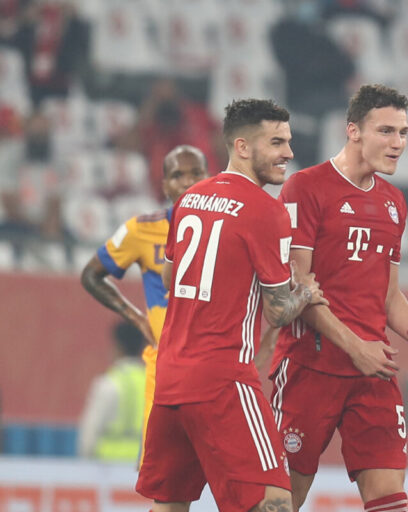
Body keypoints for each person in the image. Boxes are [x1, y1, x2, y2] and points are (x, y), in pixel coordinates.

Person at [136, 99, 326, 512]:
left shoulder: (189, 199)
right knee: (273, 499)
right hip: (223, 380)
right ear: (242, 146)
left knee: (169, 504)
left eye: (289, 142)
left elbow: (168, 279)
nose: (288, 153)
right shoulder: (265, 211)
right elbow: (277, 311)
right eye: (276, 143)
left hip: (171, 380)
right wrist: (306, 292)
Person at [269, 84, 408, 512]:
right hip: (310, 367)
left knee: (389, 497)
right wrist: (356, 348)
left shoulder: (394, 203)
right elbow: (298, 286)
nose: (398, 143)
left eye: (403, 133)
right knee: (279, 500)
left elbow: (388, 294)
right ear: (353, 131)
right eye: (386, 131)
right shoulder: (305, 188)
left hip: (374, 371)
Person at [81, 144, 208, 463]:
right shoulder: (142, 229)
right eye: (178, 175)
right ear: (164, 185)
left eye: (196, 173)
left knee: (228, 477)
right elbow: (91, 275)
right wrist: (137, 319)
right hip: (163, 367)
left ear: (210, 178)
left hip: (215, 365)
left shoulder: (232, 227)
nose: (188, 181)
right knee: (161, 471)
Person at [77, 321, 145, 462]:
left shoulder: (108, 384)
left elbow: (89, 437)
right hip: (145, 467)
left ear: (117, 347)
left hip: (107, 471)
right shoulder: (154, 384)